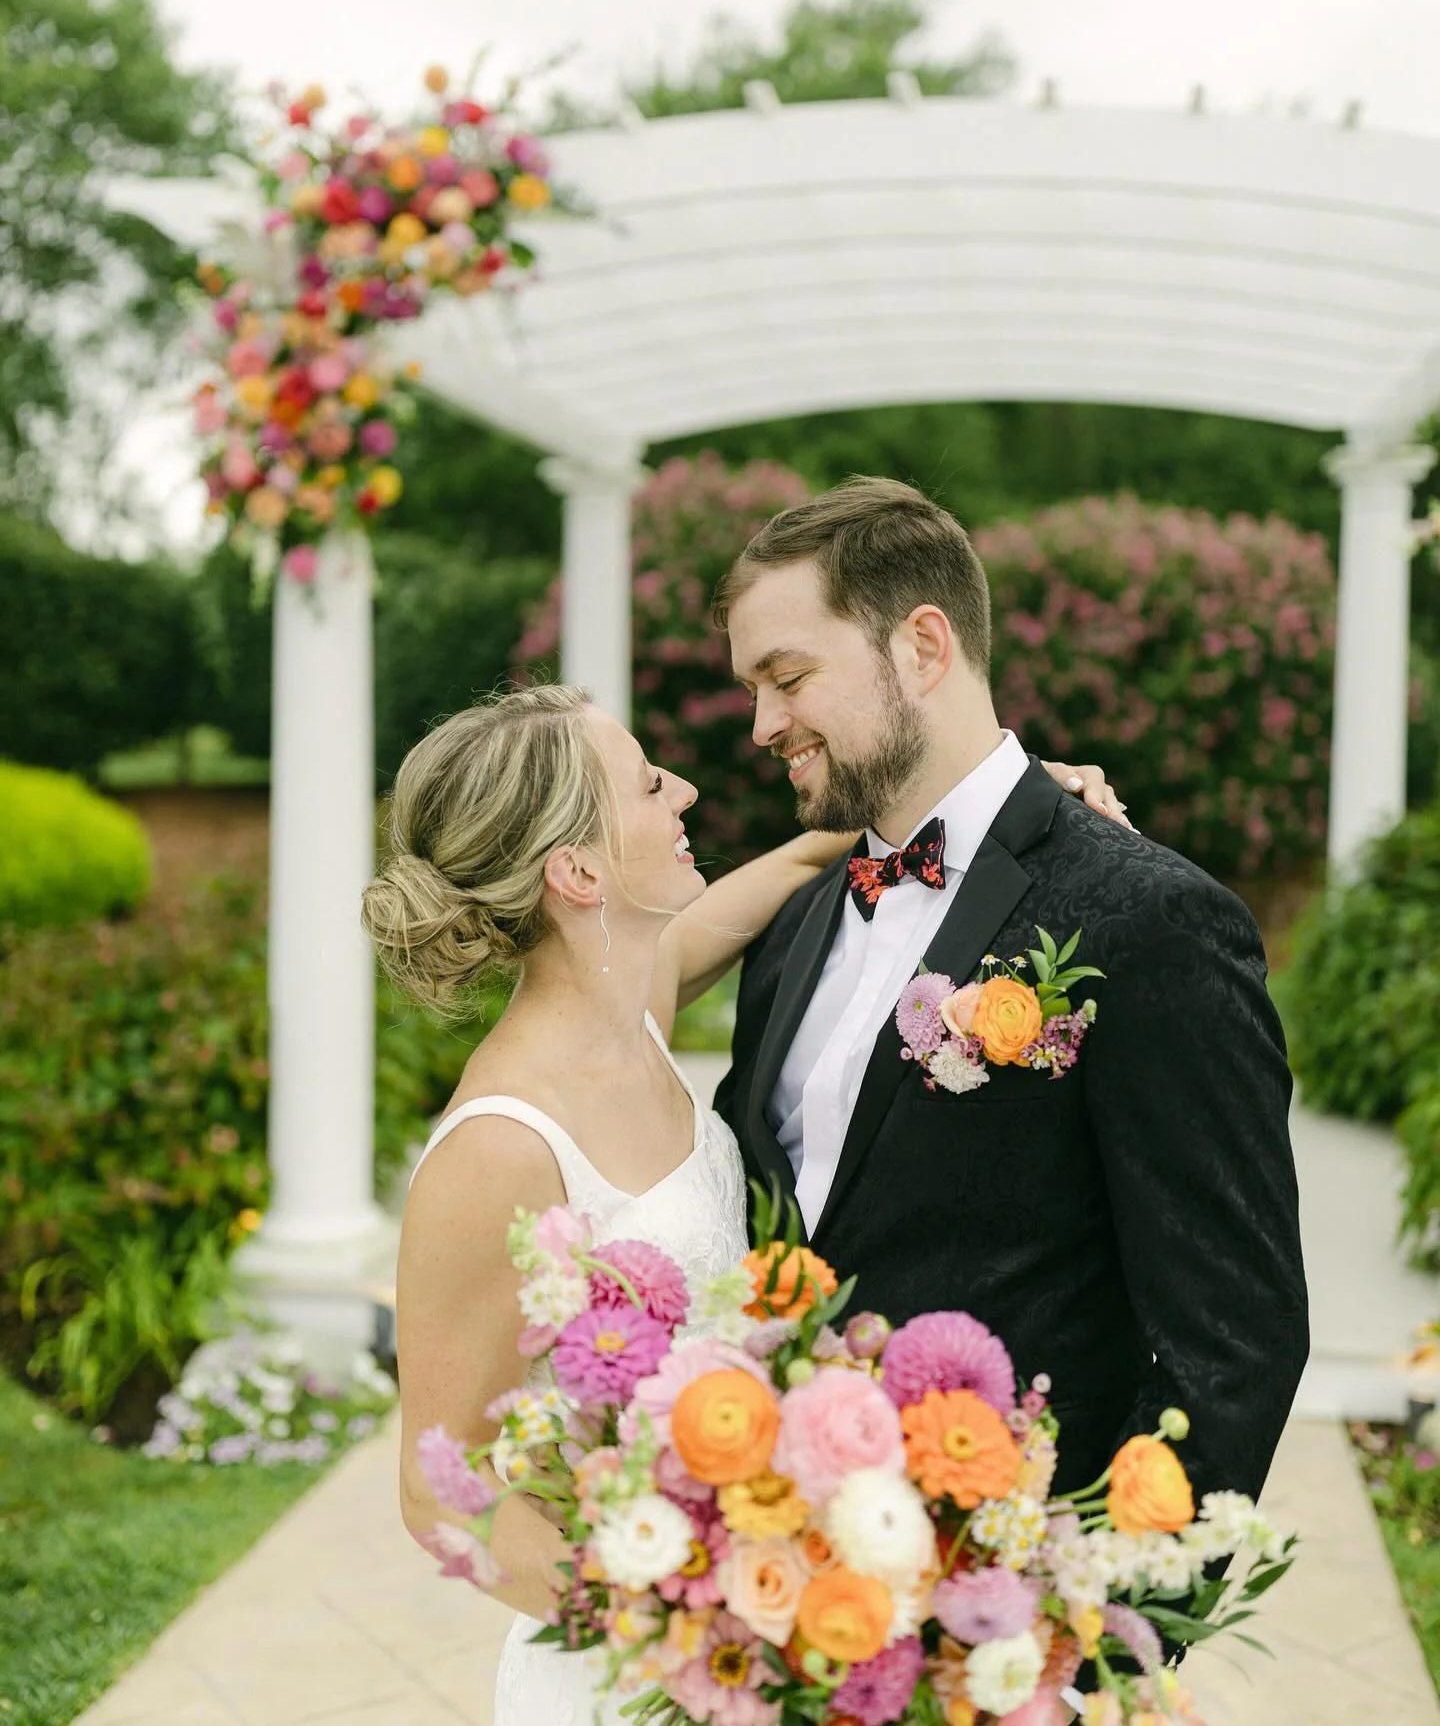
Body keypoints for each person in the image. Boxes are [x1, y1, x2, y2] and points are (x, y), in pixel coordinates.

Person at [361, 683, 1125, 1726]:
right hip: (638, 1679)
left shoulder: (638, 1007)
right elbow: (436, 1495)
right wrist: (685, 1629)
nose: (681, 789)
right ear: (576, 871)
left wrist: (1030, 808)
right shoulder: (497, 1149)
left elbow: (830, 854)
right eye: (643, 783)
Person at [712, 475, 1309, 1515]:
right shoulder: (794, 928)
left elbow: (1235, 1341)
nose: (762, 725)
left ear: (923, 648)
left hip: (1022, 1608)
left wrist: (1111, 1628)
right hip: (800, 1589)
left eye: (788, 677)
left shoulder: (1150, 920)